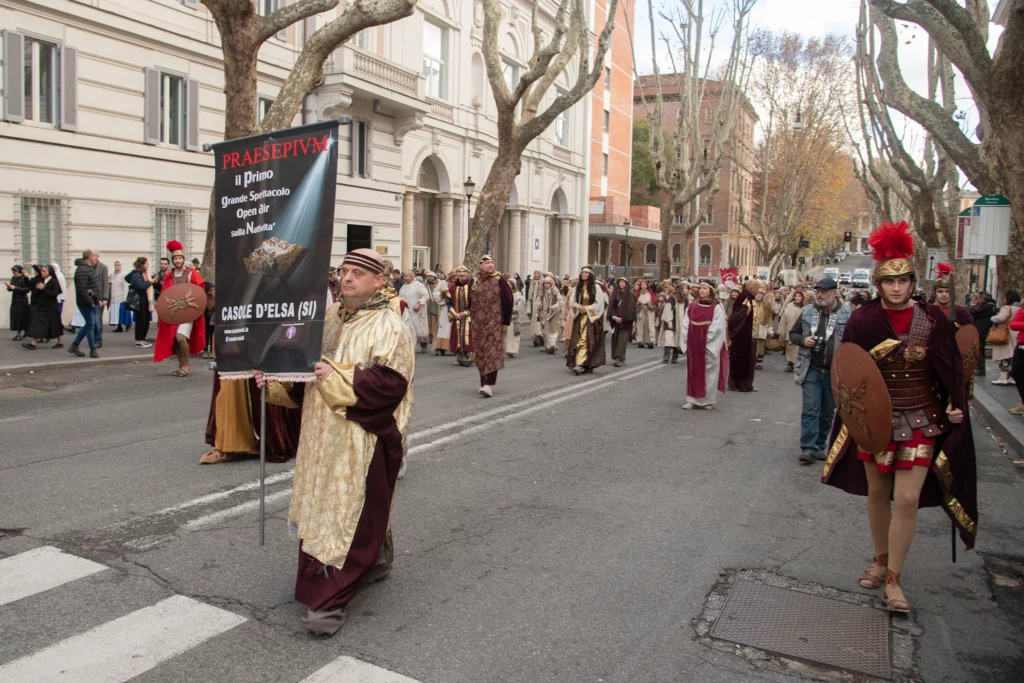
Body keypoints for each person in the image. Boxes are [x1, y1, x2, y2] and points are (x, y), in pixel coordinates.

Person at [255, 248, 413, 636]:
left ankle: (330, 601)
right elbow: (305, 374)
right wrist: (275, 380)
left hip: (362, 436)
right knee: (322, 507)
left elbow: (390, 387)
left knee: (351, 512)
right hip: (320, 434)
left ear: (380, 280)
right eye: (344, 271)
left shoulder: (390, 326)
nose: (347, 278)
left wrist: (337, 376)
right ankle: (373, 562)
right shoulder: (327, 318)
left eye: (358, 272)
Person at [822, 221, 976, 615]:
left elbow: (951, 367)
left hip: (922, 417)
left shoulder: (934, 320)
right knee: (878, 493)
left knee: (906, 497)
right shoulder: (863, 322)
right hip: (875, 421)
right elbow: (847, 373)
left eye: (903, 281)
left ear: (912, 283)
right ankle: (879, 556)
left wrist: (957, 402)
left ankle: (893, 579)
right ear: (878, 284)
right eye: (889, 282)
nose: (896, 288)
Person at [790, 278, 850, 465]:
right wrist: (803, 340)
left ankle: (819, 445)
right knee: (811, 408)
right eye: (818, 291)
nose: (820, 295)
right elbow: (793, 334)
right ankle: (808, 448)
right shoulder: (808, 311)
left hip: (835, 370)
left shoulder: (847, 313)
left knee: (827, 411)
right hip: (811, 368)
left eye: (824, 291)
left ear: (835, 292)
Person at [153, 240, 205, 376]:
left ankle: (187, 365)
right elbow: (165, 294)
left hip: (188, 311)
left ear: (183, 259)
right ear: (173, 261)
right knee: (174, 339)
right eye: (175, 258)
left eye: (180, 258)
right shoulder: (169, 276)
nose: (178, 260)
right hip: (174, 311)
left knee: (181, 337)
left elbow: (199, 290)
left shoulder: (191, 274)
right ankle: (181, 365)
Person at [679, 281, 727, 409]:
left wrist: (706, 340)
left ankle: (708, 400)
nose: (701, 290)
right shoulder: (692, 306)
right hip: (693, 344)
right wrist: (687, 339)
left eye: (705, 288)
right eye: (700, 288)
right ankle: (692, 399)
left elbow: (718, 327)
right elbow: (686, 323)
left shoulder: (716, 308)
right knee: (693, 371)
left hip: (708, 345)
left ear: (711, 291)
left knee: (709, 372)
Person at [470, 255, 513, 397]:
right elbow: (469, 300)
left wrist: (505, 320)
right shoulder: (474, 281)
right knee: (481, 351)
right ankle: (483, 382)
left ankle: (488, 384)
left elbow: (508, 300)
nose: (490, 265)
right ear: (480, 265)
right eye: (487, 263)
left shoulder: (499, 280)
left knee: (492, 352)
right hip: (477, 323)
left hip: (494, 321)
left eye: (492, 262)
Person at [566, 267, 607, 375]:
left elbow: (599, 303)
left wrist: (588, 308)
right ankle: (580, 363)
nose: (584, 274)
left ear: (590, 275)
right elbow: (572, 302)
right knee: (578, 340)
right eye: (583, 272)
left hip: (590, 319)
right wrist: (578, 307)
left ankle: (583, 364)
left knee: (587, 340)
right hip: (580, 317)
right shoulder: (577, 288)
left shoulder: (596, 288)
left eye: (586, 273)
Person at [727, 281, 760, 391]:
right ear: (752, 289)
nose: (758, 291)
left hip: (745, 334)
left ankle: (743, 384)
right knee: (742, 359)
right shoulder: (745, 299)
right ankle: (740, 384)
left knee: (745, 359)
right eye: (757, 288)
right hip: (741, 335)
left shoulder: (748, 298)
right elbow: (737, 316)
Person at [68, 249, 101, 358]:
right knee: (90, 325)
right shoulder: (82, 270)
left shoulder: (88, 268)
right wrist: (91, 302)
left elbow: (93, 286)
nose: (97, 258)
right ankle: (92, 348)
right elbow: (82, 290)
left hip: (89, 301)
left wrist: (97, 300)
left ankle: (75, 345)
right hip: (85, 302)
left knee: (88, 324)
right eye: (95, 256)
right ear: (90, 256)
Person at [22, 265, 63, 350]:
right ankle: (33, 343)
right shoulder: (41, 279)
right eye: (42, 271)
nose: (42, 272)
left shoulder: (53, 281)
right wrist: (26, 277)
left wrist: (44, 288)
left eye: (44, 271)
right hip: (41, 307)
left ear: (49, 272)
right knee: (39, 324)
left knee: (55, 324)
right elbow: (30, 284)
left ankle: (60, 342)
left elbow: (54, 294)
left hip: (51, 307)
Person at [989, 291, 1020, 386]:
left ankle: (1003, 378)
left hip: (1006, 334)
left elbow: (1000, 318)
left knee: (1004, 356)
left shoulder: (1007, 308)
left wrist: (993, 318)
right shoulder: (1020, 309)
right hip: (1017, 334)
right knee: (1014, 356)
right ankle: (1012, 378)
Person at [447, 265, 474, 367]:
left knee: (468, 337)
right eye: (459, 272)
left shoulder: (472, 286)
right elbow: (448, 303)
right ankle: (459, 358)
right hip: (457, 316)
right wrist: (455, 314)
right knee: (457, 336)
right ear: (456, 274)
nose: (462, 274)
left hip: (469, 317)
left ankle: (469, 357)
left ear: (467, 273)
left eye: (464, 272)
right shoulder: (452, 287)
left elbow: (476, 303)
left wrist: (465, 313)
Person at [608, 277, 637, 368]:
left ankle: (619, 358)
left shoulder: (631, 295)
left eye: (623, 282)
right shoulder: (615, 294)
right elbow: (611, 306)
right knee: (616, 338)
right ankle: (617, 356)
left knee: (622, 339)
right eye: (620, 282)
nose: (621, 283)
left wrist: (623, 318)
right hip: (616, 319)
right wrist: (614, 316)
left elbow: (631, 309)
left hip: (626, 321)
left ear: (626, 284)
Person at [398, 270, 430, 353]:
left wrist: (419, 303)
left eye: (406, 276)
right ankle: (410, 345)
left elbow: (426, 295)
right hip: (406, 310)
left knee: (419, 327)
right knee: (408, 326)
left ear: (411, 277)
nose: (404, 278)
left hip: (417, 310)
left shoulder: (418, 285)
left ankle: (423, 344)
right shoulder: (403, 286)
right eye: (404, 276)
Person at [126, 257, 153, 348]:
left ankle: (142, 339)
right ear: (142, 265)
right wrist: (150, 282)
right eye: (146, 264)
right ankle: (139, 340)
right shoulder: (137, 274)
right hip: (140, 299)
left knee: (145, 320)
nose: (148, 266)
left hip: (145, 299)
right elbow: (140, 286)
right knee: (141, 320)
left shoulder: (142, 273)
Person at [778, 290, 806, 373]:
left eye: (799, 296)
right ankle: (790, 363)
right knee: (790, 348)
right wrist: (781, 333)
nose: (797, 298)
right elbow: (783, 320)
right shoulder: (789, 306)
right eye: (796, 296)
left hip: (802, 332)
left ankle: (799, 364)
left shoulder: (806, 308)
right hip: (790, 330)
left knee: (799, 348)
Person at [970, 292, 996, 376]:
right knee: (979, 349)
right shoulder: (991, 305)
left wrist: (973, 306)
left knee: (979, 349)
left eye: (979, 298)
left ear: (983, 298)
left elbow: (974, 312)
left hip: (981, 330)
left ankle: (980, 368)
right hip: (981, 329)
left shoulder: (988, 306)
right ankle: (979, 367)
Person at [537, 275, 564, 354]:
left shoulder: (555, 291)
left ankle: (552, 345)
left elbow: (560, 302)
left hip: (553, 313)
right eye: (545, 283)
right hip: (544, 313)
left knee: (554, 329)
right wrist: (538, 304)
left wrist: (555, 306)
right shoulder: (541, 291)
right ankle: (547, 346)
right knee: (545, 330)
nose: (546, 284)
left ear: (551, 283)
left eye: (548, 283)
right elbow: (538, 300)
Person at [657, 286, 680, 364]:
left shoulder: (684, 299)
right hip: (670, 321)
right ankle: (666, 355)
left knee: (677, 339)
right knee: (669, 338)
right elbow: (667, 310)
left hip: (679, 321)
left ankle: (675, 356)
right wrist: (670, 321)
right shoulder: (671, 299)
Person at [7, 265, 31, 340]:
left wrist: (15, 288)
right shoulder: (13, 278)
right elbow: (11, 288)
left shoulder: (24, 278)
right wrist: (9, 288)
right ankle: (23, 332)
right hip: (15, 300)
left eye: (15, 272)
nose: (14, 273)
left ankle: (19, 334)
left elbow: (27, 289)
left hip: (22, 301)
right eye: (13, 272)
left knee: (21, 317)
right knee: (16, 317)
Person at [504, 276, 525, 358]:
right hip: (505, 317)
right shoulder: (504, 294)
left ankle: (511, 350)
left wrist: (510, 310)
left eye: (510, 284)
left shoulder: (517, 294)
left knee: (511, 334)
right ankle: (505, 350)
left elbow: (520, 306)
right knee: (505, 334)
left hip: (513, 317)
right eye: (507, 284)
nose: (508, 286)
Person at [92, 252, 110, 349]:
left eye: (94, 256)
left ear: (97, 257)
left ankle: (98, 340)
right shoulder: (89, 267)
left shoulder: (103, 267)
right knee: (92, 321)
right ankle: (93, 339)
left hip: (99, 298)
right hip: (91, 299)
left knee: (98, 321)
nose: (93, 258)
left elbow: (106, 283)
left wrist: (105, 298)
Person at [431, 272, 451, 356]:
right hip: (445, 307)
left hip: (457, 309)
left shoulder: (459, 283)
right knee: (443, 327)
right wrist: (442, 295)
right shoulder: (443, 283)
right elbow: (435, 293)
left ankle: (453, 347)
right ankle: (440, 346)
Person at [110, 261, 130, 332]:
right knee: (116, 313)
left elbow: (125, 287)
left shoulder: (123, 275)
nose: (116, 267)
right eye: (115, 265)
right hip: (114, 297)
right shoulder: (113, 274)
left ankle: (127, 324)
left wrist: (125, 298)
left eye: (118, 265)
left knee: (121, 313)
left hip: (121, 297)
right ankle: (119, 327)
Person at [635, 280, 656, 348]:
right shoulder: (638, 294)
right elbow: (634, 303)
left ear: (647, 285)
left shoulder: (650, 293)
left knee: (649, 326)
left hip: (649, 311)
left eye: (644, 284)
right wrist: (639, 304)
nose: (643, 285)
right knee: (640, 326)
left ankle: (650, 341)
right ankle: (640, 341)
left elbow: (654, 303)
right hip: (640, 311)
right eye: (642, 285)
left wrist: (648, 305)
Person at [753, 286, 770, 368]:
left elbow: (769, 317)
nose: (758, 295)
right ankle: (752, 360)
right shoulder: (751, 303)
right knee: (753, 344)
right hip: (752, 328)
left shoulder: (766, 305)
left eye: (760, 294)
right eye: (757, 293)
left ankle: (759, 362)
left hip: (762, 327)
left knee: (760, 344)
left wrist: (770, 328)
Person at [528, 270, 544, 346]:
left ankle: (540, 336)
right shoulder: (532, 282)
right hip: (533, 304)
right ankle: (535, 336)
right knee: (534, 320)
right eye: (535, 273)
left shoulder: (543, 282)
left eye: (537, 273)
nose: (536, 275)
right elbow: (530, 294)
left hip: (541, 304)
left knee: (539, 320)